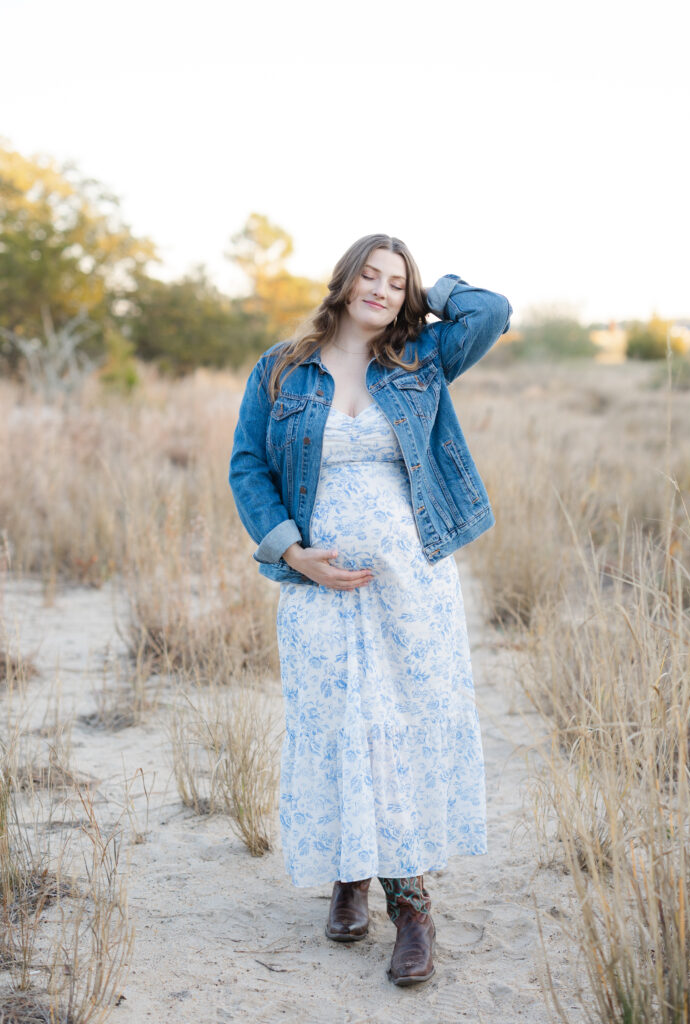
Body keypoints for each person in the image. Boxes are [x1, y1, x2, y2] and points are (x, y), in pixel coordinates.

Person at [229, 234, 511, 986]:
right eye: (372, 275)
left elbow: (493, 311)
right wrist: (293, 552)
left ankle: (411, 903)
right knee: (335, 723)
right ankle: (349, 873)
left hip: (410, 582)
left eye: (397, 282)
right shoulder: (282, 369)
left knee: (403, 725)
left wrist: (432, 293)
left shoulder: (420, 359)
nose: (381, 290)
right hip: (319, 584)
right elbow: (248, 464)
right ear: (345, 278)